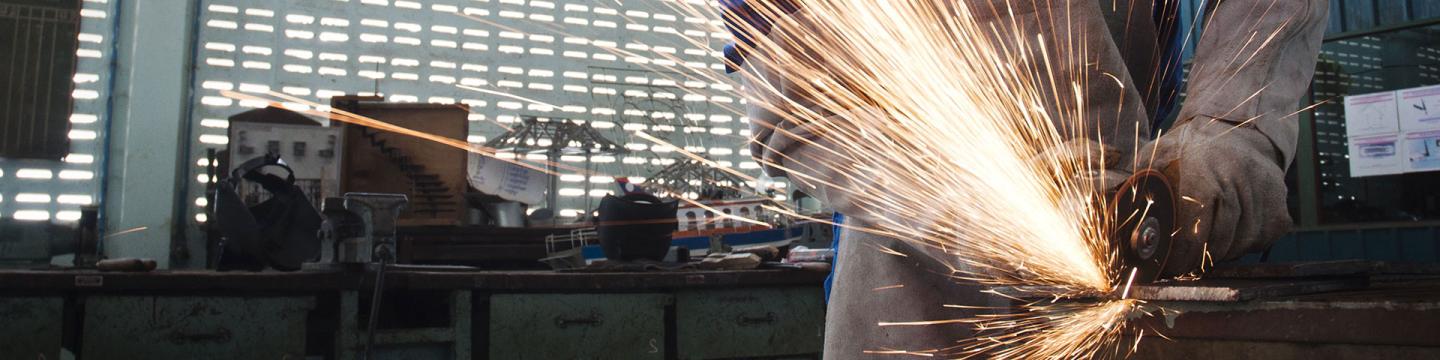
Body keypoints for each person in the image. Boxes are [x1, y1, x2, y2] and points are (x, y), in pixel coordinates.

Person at [726, 0, 1330, 356]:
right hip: (920, 278)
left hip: (1157, 240)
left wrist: (1229, 128)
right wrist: (969, 210)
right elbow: (793, 89)